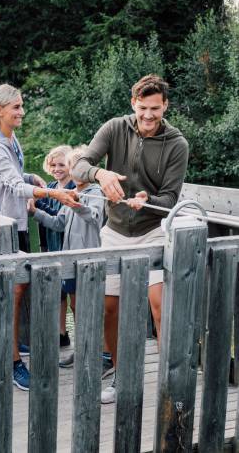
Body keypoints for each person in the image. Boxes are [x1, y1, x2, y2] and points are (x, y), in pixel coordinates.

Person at [72, 74, 189, 404]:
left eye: (155, 109)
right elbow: (79, 166)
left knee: (160, 307)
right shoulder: (114, 128)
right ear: (132, 104)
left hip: (154, 231)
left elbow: (170, 199)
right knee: (110, 308)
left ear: (165, 105)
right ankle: (121, 374)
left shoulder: (177, 143)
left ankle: (171, 380)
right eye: (142, 108)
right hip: (115, 232)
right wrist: (100, 173)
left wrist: (146, 199)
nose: (149, 116)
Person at [0, 83, 80, 391]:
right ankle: (12, 363)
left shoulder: (11, 139)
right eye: (16, 107)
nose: (22, 111)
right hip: (1, 228)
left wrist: (31, 176)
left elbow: (15, 177)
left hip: (18, 225)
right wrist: (50, 191)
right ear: (0, 111)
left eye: (22, 105)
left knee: (19, 291)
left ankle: (15, 348)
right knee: (13, 294)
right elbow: (11, 185)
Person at [29, 147, 113, 376]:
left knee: (94, 308)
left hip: (90, 261)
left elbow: (95, 218)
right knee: (77, 307)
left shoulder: (95, 192)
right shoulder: (73, 191)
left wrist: (76, 203)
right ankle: (83, 349)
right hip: (72, 261)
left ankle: (105, 355)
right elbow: (58, 223)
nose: (73, 171)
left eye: (77, 167)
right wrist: (35, 212)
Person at [36, 145, 75, 347]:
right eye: (53, 165)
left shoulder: (73, 188)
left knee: (73, 294)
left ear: (70, 166)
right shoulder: (50, 186)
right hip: (51, 246)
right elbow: (44, 224)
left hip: (67, 247)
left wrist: (36, 206)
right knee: (58, 294)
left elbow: (59, 218)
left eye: (62, 164)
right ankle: (62, 334)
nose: (57, 168)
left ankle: (82, 333)